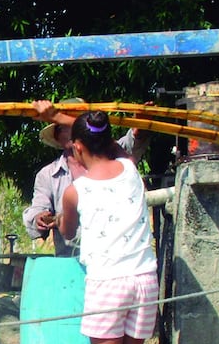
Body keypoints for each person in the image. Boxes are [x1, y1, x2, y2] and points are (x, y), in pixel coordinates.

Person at [56, 110, 158, 344]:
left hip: (108, 285)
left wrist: (60, 220)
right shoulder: (130, 170)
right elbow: (111, 145)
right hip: (144, 282)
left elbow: (67, 232)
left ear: (77, 147)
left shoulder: (75, 191)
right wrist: (60, 116)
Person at [23, 99, 149, 257]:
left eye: (74, 126)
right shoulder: (48, 175)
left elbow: (129, 141)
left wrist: (139, 129)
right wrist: (39, 218)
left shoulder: (119, 164)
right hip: (71, 260)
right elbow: (39, 209)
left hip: (111, 261)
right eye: (64, 127)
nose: (71, 132)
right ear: (57, 135)